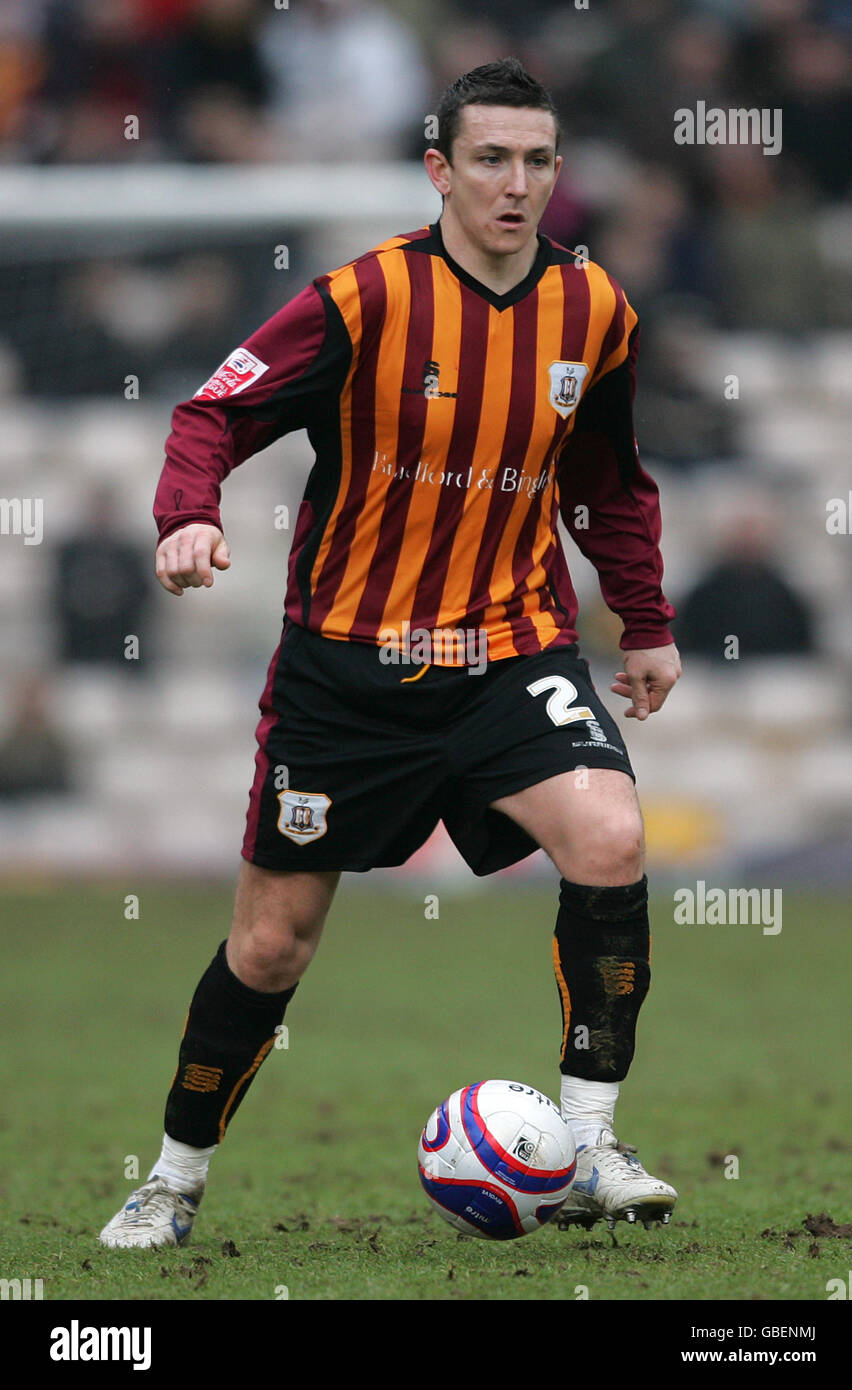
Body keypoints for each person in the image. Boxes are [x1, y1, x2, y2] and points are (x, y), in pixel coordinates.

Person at [100, 58, 681, 1249]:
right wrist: (188, 512)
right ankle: (170, 1177)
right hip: (348, 671)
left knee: (612, 835)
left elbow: (607, 481)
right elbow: (212, 410)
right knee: (269, 944)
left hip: (511, 650)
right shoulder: (361, 300)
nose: (513, 184)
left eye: (534, 161)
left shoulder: (596, 311)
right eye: (488, 159)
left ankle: (590, 1141)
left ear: (554, 173)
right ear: (439, 170)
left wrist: (648, 617)